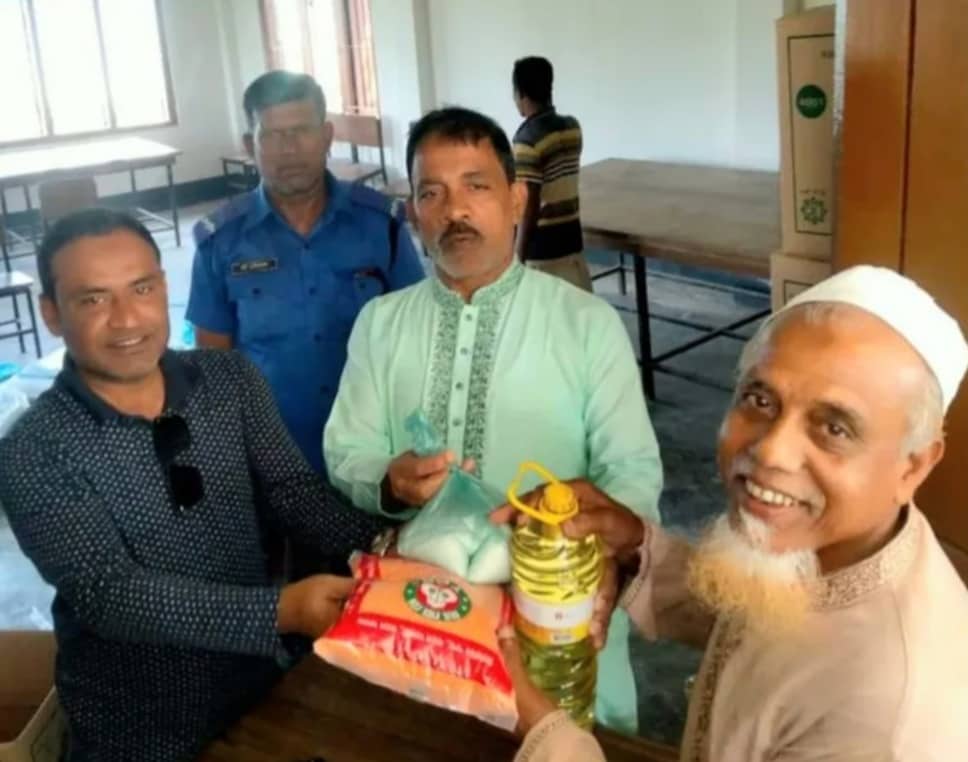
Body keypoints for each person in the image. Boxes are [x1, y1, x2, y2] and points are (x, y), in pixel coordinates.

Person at [495, 265, 968, 761]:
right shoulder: (833, 547)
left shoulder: (888, 724)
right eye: (760, 400)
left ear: (913, 466)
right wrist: (636, 547)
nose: (771, 452)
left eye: (834, 428)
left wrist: (551, 739)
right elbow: (760, 616)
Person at [0, 209, 387, 762]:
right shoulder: (34, 450)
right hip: (139, 729)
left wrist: (389, 548)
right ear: (52, 314)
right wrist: (279, 612)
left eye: (141, 288)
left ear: (164, 287)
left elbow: (292, 491)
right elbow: (109, 593)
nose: (126, 320)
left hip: (260, 686)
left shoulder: (230, 380)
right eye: (93, 299)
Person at [323, 107, 663, 734]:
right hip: (421, 629)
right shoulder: (381, 323)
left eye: (475, 186)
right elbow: (348, 450)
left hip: (551, 624)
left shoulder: (586, 324)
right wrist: (391, 483)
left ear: (516, 200)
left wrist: (607, 552)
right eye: (432, 193)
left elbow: (633, 471)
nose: (455, 210)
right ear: (413, 213)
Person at [187, 71, 424, 474]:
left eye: (302, 131)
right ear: (249, 145)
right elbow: (212, 368)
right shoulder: (220, 242)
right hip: (272, 458)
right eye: (272, 135)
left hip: (375, 451)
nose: (289, 149)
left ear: (327, 136)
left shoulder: (380, 226)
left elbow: (419, 334)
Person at [511, 56, 592, 292]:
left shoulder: (527, 141)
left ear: (521, 94)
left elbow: (529, 205)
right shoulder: (572, 128)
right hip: (572, 243)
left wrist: (518, 258)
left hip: (543, 254)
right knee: (578, 311)